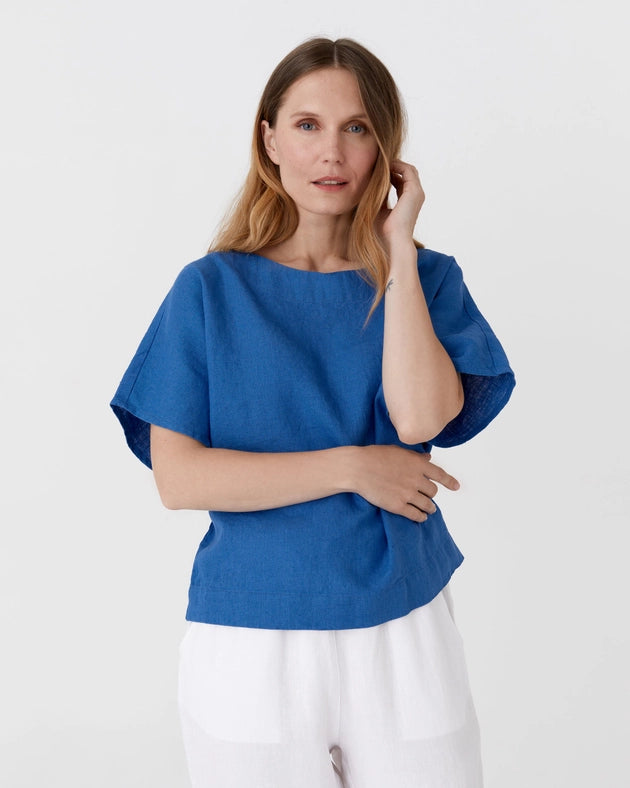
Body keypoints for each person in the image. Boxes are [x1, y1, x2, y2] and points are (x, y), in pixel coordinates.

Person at [111, 37, 514, 788]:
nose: (332, 152)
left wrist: (399, 252)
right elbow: (179, 479)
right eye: (307, 125)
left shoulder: (428, 278)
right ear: (269, 140)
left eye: (357, 128)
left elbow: (420, 419)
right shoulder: (210, 290)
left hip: (404, 623)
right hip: (251, 635)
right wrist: (354, 467)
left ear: (385, 147)